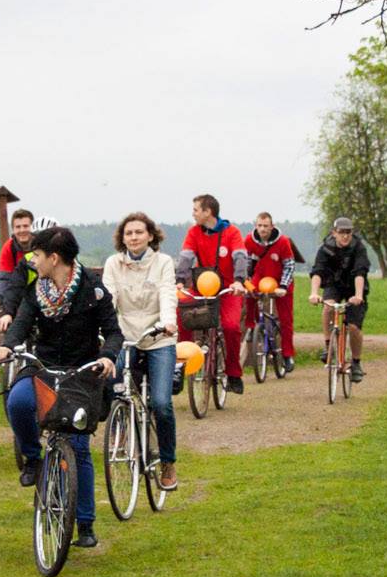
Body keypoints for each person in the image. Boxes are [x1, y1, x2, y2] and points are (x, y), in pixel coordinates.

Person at [0, 226, 120, 549]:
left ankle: (86, 525)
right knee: (18, 403)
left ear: (54, 258)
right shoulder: (37, 292)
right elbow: (21, 321)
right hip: (44, 367)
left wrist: (106, 357)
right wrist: (9, 345)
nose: (32, 261)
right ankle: (33, 458)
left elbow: (114, 332)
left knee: (78, 447)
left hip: (81, 374)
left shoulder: (93, 290)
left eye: (37, 255)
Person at [103, 212, 180, 491]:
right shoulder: (113, 263)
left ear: (150, 235)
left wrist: (168, 322)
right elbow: (108, 297)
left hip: (159, 337)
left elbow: (166, 293)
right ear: (122, 238)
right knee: (112, 380)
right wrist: (103, 327)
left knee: (161, 403)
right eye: (128, 233)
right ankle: (122, 427)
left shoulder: (163, 262)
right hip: (126, 336)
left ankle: (168, 461)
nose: (133, 237)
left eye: (139, 232)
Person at [179, 193, 250, 394]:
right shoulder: (194, 232)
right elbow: (186, 257)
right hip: (202, 284)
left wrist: (239, 280)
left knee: (230, 326)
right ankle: (180, 364)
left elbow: (240, 257)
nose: (193, 214)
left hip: (229, 288)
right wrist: (180, 281)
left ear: (207, 211)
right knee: (181, 310)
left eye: (195, 210)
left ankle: (234, 373)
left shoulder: (232, 232)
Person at [309, 216, 370, 381]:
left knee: (353, 327)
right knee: (328, 308)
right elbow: (317, 272)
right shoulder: (325, 249)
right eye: (341, 232)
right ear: (334, 233)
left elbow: (360, 273)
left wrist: (358, 295)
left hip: (354, 287)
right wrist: (314, 293)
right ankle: (329, 347)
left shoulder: (358, 248)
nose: (345, 236)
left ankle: (356, 362)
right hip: (333, 284)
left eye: (348, 233)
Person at [244, 210, 301, 371]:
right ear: (256, 226)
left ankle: (288, 354)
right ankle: (251, 326)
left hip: (280, 279)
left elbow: (289, 265)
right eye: (260, 226)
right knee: (249, 294)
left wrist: (283, 286)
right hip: (260, 276)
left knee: (286, 319)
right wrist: (246, 280)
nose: (262, 229)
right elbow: (247, 262)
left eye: (266, 226)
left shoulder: (283, 242)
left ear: (272, 227)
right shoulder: (249, 240)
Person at [0, 212, 55, 328]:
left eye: (25, 226)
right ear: (13, 230)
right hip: (26, 299)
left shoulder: (63, 257)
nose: (22, 230)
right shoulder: (12, 250)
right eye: (18, 227)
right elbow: (7, 280)